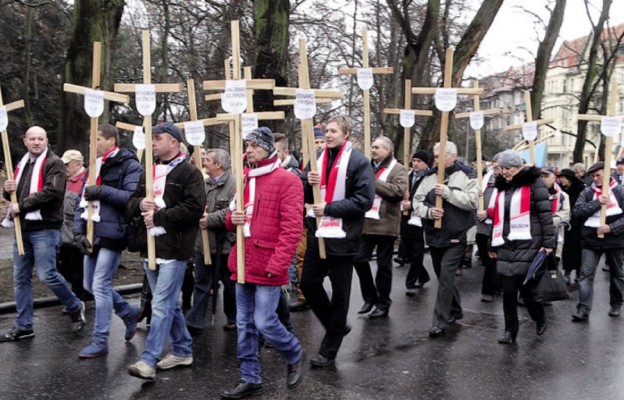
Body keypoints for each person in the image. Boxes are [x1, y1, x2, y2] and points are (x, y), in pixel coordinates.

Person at [220, 127, 305, 399]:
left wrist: (279, 263)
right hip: (243, 262)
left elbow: (292, 228)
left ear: (269, 148)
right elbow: (229, 221)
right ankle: (249, 377)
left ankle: (294, 353)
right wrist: (233, 219)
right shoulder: (244, 179)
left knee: (265, 322)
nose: (249, 150)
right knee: (244, 325)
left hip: (269, 263)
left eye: (254, 146)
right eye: (247, 145)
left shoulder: (288, 181)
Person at [126, 122, 206, 379]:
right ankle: (182, 349)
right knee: (168, 305)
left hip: (175, 248)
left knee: (160, 304)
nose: (153, 143)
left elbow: (194, 208)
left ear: (174, 141)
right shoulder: (146, 173)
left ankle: (148, 360)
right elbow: (130, 204)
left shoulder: (189, 173)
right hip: (150, 247)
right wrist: (140, 203)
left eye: (158, 138)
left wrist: (160, 216)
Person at [300, 115, 375, 367]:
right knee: (308, 283)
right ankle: (337, 325)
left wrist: (330, 208)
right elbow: (304, 192)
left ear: (345, 134)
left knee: (341, 294)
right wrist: (306, 182)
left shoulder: (358, 162)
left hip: (344, 236)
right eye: (326, 131)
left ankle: (328, 350)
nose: (328, 135)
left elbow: (363, 200)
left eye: (333, 131)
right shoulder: (317, 157)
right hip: (318, 233)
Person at [0, 126, 86, 342]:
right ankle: (24, 325)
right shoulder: (21, 164)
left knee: (46, 274)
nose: (37, 142)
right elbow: (14, 193)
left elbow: (52, 192)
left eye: (40, 139)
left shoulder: (54, 163)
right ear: (25, 141)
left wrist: (22, 205)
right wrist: (6, 188)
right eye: (32, 139)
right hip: (23, 228)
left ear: (46, 140)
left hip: (45, 229)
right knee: (20, 278)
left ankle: (75, 305)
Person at [73, 124, 143, 358]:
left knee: (100, 285)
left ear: (112, 141)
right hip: (93, 232)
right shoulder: (94, 166)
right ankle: (127, 311)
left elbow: (131, 198)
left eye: (98, 139)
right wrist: (78, 232)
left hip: (114, 232)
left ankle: (100, 340)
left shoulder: (130, 165)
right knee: (88, 284)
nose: (94, 144)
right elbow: (81, 202)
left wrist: (101, 191)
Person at [486, 150, 555, 344]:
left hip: (529, 241)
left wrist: (548, 243)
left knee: (527, 289)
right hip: (507, 243)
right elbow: (498, 217)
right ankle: (510, 330)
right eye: (502, 168)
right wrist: (493, 242)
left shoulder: (535, 184)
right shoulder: (501, 186)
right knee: (508, 290)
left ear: (519, 167)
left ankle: (539, 317)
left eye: (508, 168)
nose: (505, 172)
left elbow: (545, 215)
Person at [413, 141, 477, 338]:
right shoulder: (428, 177)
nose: (438, 160)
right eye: (436, 156)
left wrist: (448, 194)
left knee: (447, 277)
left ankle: (439, 321)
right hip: (434, 234)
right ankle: (456, 310)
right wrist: (430, 212)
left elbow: (472, 201)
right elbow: (417, 203)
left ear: (453, 156)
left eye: (442, 156)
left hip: (458, 234)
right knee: (442, 276)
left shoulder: (467, 175)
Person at [353, 136, 407, 317]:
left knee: (384, 267)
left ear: (387, 150)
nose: (373, 150)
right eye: (372, 147)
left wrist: (373, 181)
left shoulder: (398, 169)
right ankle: (370, 297)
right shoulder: (368, 166)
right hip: (367, 222)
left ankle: (384, 303)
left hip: (386, 224)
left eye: (376, 147)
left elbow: (398, 192)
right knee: (358, 259)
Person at [185, 148, 237, 333]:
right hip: (203, 245)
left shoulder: (234, 184)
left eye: (207, 160)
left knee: (230, 285)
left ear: (218, 164)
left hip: (225, 246)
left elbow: (231, 211)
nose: (203, 162)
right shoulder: (203, 184)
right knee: (201, 283)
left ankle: (233, 318)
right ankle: (195, 321)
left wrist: (209, 219)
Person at [571, 161, 624, 322]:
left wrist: (611, 228)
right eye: (592, 176)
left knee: (617, 274)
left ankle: (616, 304)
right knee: (586, 275)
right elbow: (578, 212)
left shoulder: (620, 191)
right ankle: (583, 309)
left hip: (615, 240)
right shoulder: (587, 192)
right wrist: (597, 202)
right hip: (590, 239)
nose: (595, 179)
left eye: (598, 175)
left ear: (607, 174)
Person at [57, 149, 90, 301]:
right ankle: (79, 294)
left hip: (78, 234)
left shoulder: (87, 180)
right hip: (64, 234)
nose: (65, 169)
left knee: (76, 268)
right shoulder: (66, 180)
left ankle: (79, 298)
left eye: (67, 165)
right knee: (64, 266)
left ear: (77, 164)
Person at [402, 151, 431, 295]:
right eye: (414, 160)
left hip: (421, 219)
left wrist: (412, 205)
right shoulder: (407, 176)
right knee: (408, 251)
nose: (415, 164)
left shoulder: (430, 178)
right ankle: (423, 275)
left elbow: (429, 199)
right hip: (406, 218)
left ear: (426, 163)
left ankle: (410, 282)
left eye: (419, 161)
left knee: (417, 251)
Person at [475, 153, 501, 303]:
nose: (496, 166)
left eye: (499, 163)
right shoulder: (484, 179)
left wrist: (489, 213)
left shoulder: (507, 182)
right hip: (482, 225)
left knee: (493, 258)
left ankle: (489, 290)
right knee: (485, 256)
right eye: (494, 162)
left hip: (497, 225)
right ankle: (496, 282)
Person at [558, 168, 585, 283]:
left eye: (563, 178)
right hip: (566, 224)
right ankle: (567, 272)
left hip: (578, 224)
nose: (561, 180)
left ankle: (579, 272)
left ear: (569, 179)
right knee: (567, 250)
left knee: (578, 249)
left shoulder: (581, 190)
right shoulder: (561, 191)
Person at [540, 167, 570, 269]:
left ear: (554, 178)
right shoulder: (534, 193)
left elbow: (566, 214)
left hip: (555, 235)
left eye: (546, 176)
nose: (543, 179)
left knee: (552, 265)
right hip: (537, 235)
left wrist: (548, 221)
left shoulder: (562, 196)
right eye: (541, 176)